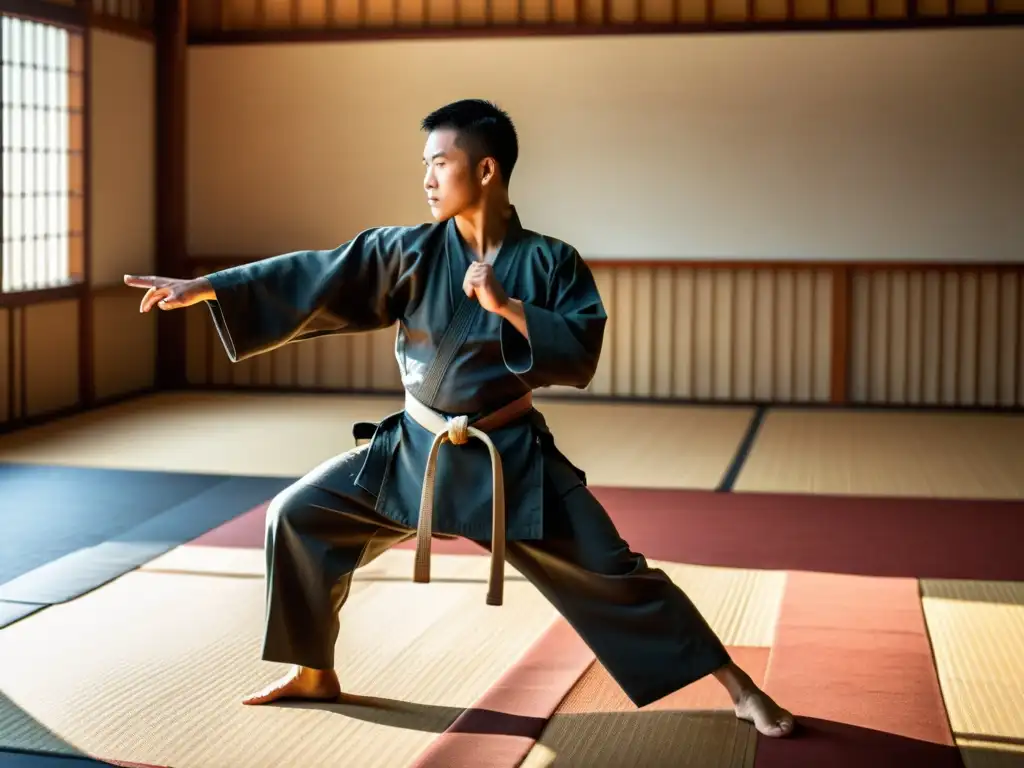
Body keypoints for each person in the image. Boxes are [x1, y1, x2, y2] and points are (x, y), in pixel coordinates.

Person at [125, 99, 794, 738]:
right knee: (297, 516)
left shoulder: (550, 261)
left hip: (510, 463)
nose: (425, 178)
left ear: (485, 169)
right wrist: (209, 286)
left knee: (611, 568)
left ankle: (742, 689)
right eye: (423, 163)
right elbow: (320, 272)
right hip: (413, 453)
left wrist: (506, 308)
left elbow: (580, 350)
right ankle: (314, 673)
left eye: (438, 162)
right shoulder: (408, 251)